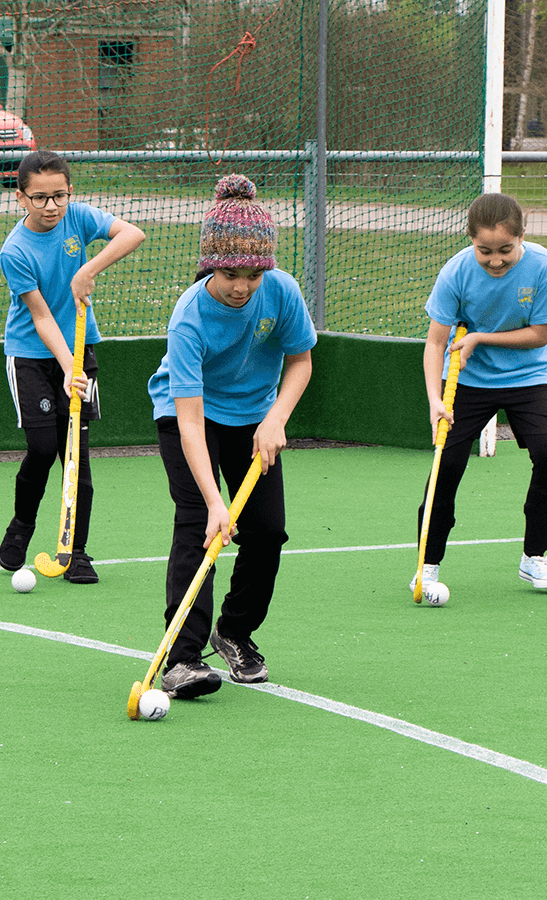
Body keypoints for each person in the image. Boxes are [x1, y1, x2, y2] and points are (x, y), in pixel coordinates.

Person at [146, 174, 315, 699]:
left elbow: (301, 362)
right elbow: (191, 421)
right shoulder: (190, 317)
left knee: (268, 533)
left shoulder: (282, 292)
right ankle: (183, 658)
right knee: (199, 523)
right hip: (188, 417)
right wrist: (218, 502)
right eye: (228, 272)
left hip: (255, 417)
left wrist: (276, 418)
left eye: (253, 273)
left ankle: (235, 632)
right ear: (209, 263)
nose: (241, 285)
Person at [0, 150, 147, 582]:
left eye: (58, 196)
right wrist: (67, 368)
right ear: (21, 198)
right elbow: (41, 318)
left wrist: (89, 268)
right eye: (39, 198)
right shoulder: (16, 251)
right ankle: (22, 525)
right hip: (31, 357)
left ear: (70, 192)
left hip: (83, 353)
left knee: (76, 455)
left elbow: (132, 233)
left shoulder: (79, 218)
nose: (51, 207)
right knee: (43, 450)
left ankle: (75, 551)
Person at [412, 192, 547, 596]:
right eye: (485, 251)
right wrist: (434, 399)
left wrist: (481, 336)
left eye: (505, 250)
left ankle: (535, 558)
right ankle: (426, 566)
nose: (495, 260)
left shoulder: (543, 267)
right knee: (445, 469)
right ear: (471, 241)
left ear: (521, 238)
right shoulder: (456, 273)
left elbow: (540, 335)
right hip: (467, 382)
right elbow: (434, 344)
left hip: (529, 377)